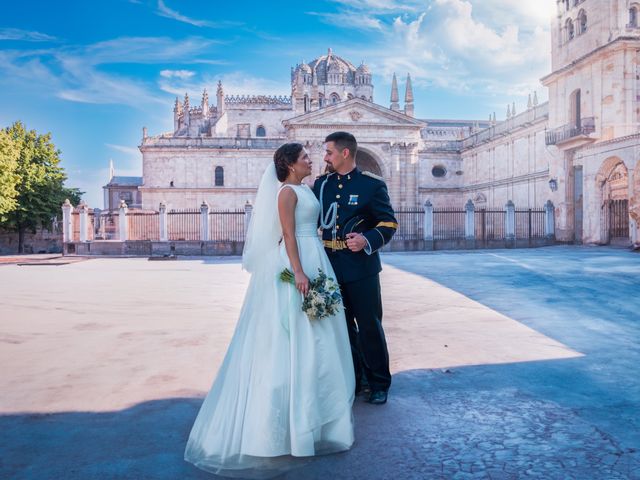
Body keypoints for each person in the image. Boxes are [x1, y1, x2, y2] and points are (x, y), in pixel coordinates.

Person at [184, 143, 355, 479]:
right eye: (305, 156)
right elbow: (288, 235)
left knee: (318, 334)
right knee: (292, 334)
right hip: (299, 260)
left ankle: (316, 418)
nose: (310, 159)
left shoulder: (306, 188)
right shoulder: (286, 193)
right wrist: (300, 272)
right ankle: (287, 425)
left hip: (315, 255)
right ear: (291, 164)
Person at [313, 132, 397, 405]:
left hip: (362, 268)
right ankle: (356, 379)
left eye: (329, 152)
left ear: (345, 153)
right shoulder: (322, 184)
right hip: (330, 267)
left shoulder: (371, 185)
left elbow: (388, 223)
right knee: (343, 328)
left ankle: (379, 382)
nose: (325, 157)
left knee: (370, 326)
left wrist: (366, 239)